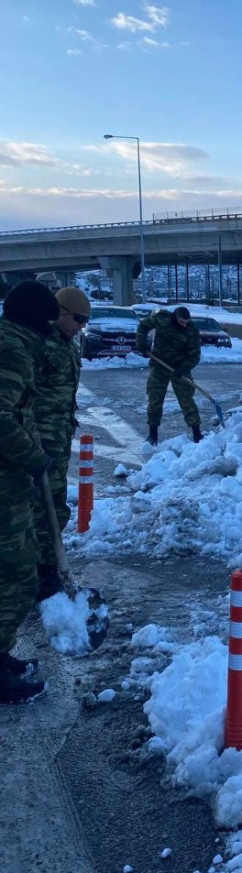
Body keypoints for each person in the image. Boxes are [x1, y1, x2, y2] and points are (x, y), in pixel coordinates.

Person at [0, 281, 60, 704]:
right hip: (4, 485)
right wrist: (32, 457)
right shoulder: (14, 349)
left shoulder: (10, 341)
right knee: (19, 575)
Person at [32, 287, 91, 601]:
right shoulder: (38, 343)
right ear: (60, 312)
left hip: (58, 437)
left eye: (85, 321)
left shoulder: (68, 343)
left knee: (55, 505)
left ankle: (47, 569)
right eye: (78, 319)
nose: (81, 326)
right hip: (35, 440)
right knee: (40, 508)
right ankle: (42, 576)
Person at [136, 306, 203, 444]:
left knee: (187, 400)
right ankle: (152, 435)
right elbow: (143, 326)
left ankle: (197, 434)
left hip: (179, 369)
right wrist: (141, 344)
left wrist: (184, 368)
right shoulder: (161, 319)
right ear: (174, 318)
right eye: (181, 322)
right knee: (155, 400)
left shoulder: (191, 330)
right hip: (159, 366)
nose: (184, 325)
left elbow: (195, 355)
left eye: (186, 322)